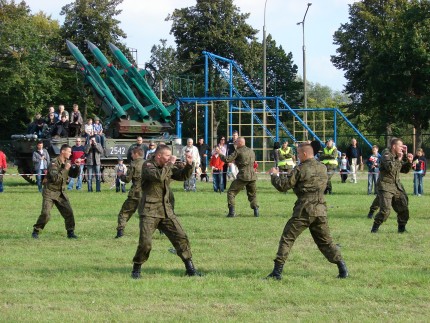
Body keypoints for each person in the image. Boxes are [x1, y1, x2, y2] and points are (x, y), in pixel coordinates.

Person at [265, 143, 348, 280]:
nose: (297, 156)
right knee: (326, 241)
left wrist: (274, 175)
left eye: (298, 153)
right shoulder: (322, 167)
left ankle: (277, 272)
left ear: (304, 154)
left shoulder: (300, 169)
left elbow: (283, 186)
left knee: (287, 238)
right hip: (320, 209)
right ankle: (342, 268)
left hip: (304, 209)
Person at [131, 144, 202, 279]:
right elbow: (159, 177)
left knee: (181, 237)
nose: (170, 157)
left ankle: (190, 268)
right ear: (159, 156)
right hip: (149, 211)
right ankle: (136, 269)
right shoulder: (147, 166)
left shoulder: (166, 166)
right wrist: (170, 164)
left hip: (166, 210)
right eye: (167, 155)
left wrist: (189, 164)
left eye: (170, 156)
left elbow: (182, 176)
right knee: (145, 242)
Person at [31, 144, 80, 239]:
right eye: (69, 152)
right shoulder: (54, 163)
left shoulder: (67, 162)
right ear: (63, 151)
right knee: (46, 214)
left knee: (69, 212)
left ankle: (70, 232)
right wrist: (65, 169)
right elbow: (55, 179)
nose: (70, 154)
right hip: (50, 191)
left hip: (60, 192)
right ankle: (36, 231)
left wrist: (77, 167)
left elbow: (73, 175)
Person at [371, 138, 413, 233]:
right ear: (394, 146)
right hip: (385, 185)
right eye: (400, 146)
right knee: (385, 210)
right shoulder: (386, 154)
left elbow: (404, 170)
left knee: (403, 208)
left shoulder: (398, 155)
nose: (402, 148)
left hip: (396, 185)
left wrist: (408, 160)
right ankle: (374, 229)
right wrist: (399, 158)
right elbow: (390, 168)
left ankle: (401, 229)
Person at [219, 137, 259, 217]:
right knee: (252, 194)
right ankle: (256, 210)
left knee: (231, 192)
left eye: (236, 142)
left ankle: (231, 212)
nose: (235, 144)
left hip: (243, 175)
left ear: (240, 143)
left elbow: (227, 159)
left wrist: (220, 154)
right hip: (252, 176)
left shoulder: (238, 151)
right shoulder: (251, 151)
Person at [115, 147, 144, 238]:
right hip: (146, 193)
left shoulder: (133, 164)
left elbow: (127, 179)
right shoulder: (147, 163)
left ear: (136, 154)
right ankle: (161, 229)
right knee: (149, 213)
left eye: (132, 154)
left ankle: (120, 231)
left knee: (125, 212)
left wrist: (121, 175)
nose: (131, 155)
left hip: (135, 193)